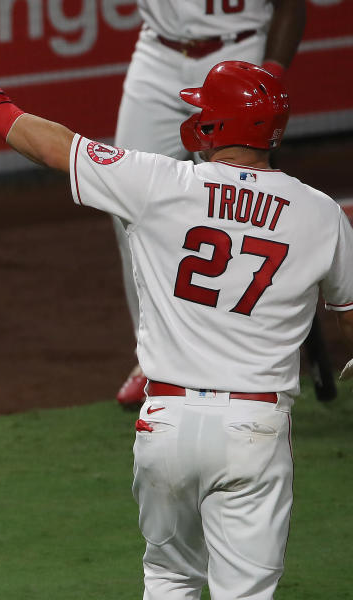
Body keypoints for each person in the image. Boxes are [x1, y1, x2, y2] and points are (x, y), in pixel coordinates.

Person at [0, 30, 353, 600]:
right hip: (255, 429)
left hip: (164, 422)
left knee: (170, 576)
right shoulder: (322, 213)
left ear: (214, 128)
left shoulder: (161, 181)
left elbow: (59, 147)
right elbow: (348, 311)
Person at [112, 0, 306, 407]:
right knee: (128, 201)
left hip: (238, 54)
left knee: (245, 204)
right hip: (156, 54)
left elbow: (291, 5)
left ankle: (250, 350)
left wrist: (269, 74)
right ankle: (152, 358)